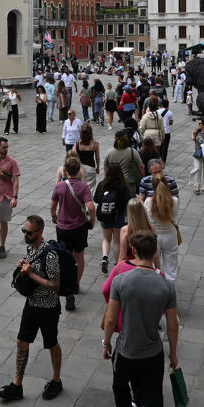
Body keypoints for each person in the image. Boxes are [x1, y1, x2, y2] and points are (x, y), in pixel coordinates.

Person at [103, 230, 178, 407]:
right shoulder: (166, 285)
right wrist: (174, 355)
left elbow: (111, 318)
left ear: (133, 252)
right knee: (155, 406)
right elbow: (172, 326)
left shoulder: (121, 281)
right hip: (153, 354)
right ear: (154, 252)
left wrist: (106, 342)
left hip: (126, 351)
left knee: (119, 387)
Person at [0, 216, 63, 402]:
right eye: (24, 231)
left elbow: (55, 285)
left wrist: (32, 274)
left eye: (29, 232)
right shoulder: (30, 249)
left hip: (48, 307)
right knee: (21, 342)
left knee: (51, 344)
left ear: (40, 232)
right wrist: (22, 268)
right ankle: (17, 385)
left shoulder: (50, 255)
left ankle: (56, 381)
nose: (25, 235)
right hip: (32, 304)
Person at [50, 156, 95, 311]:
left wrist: (54, 216)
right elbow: (91, 207)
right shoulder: (83, 188)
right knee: (79, 256)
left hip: (63, 228)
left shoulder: (60, 186)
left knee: (64, 257)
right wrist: (92, 222)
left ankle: (66, 287)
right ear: (78, 170)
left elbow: (52, 205)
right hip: (79, 227)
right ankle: (75, 285)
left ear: (66, 170)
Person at [95, 163, 132, 273]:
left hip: (105, 215)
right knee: (117, 242)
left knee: (106, 239)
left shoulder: (102, 184)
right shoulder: (123, 186)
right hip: (118, 217)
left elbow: (96, 199)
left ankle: (105, 257)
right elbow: (128, 201)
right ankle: (117, 265)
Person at [143, 175, 179, 283]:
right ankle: (171, 295)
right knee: (171, 271)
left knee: (153, 268)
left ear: (153, 187)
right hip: (170, 236)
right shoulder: (175, 201)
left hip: (154, 237)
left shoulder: (148, 202)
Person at [103, 130, 145, 198]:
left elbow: (105, 167)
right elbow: (140, 166)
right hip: (129, 182)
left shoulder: (110, 152)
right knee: (130, 200)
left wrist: (107, 178)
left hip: (114, 182)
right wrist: (143, 178)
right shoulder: (132, 151)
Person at [75, 124, 100, 196]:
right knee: (90, 189)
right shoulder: (95, 144)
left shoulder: (77, 144)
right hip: (91, 168)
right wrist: (97, 167)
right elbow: (97, 158)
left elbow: (74, 158)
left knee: (80, 189)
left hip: (80, 169)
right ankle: (88, 202)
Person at [158, 99, 174, 164]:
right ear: (168, 105)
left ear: (161, 105)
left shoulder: (157, 111)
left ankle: (159, 159)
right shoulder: (170, 113)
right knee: (165, 147)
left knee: (159, 146)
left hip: (159, 131)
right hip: (166, 132)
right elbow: (171, 123)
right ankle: (163, 161)